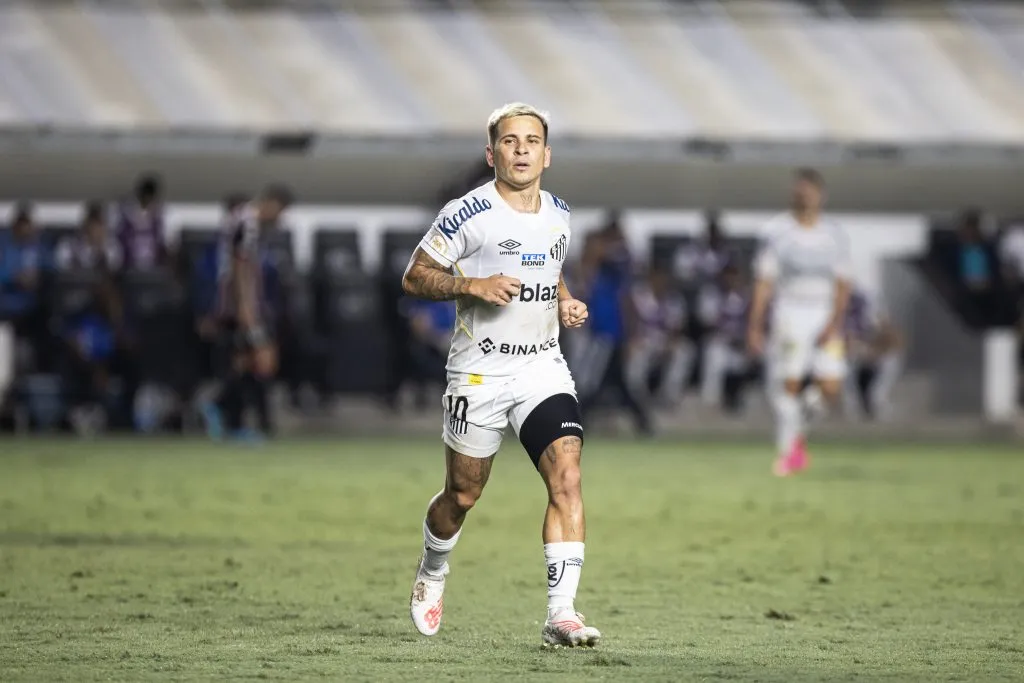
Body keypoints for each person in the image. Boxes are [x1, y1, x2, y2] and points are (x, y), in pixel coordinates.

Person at [401, 103, 600, 648]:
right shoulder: (467, 214)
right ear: (492, 154)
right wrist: (472, 285)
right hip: (480, 374)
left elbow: (550, 268)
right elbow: (415, 276)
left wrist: (563, 303)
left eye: (531, 141)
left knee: (567, 476)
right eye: (509, 142)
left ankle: (562, 614)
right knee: (462, 496)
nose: (521, 151)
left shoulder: (559, 211)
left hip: (541, 367)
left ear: (547, 154)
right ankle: (434, 566)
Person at [747, 168, 852, 477]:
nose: (803, 196)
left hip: (824, 312)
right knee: (790, 383)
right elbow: (764, 281)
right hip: (790, 312)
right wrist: (754, 325)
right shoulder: (777, 231)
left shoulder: (834, 233)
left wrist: (835, 321)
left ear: (821, 195)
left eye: (809, 191)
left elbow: (843, 283)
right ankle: (788, 453)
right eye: (798, 191)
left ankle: (797, 438)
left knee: (830, 388)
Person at [200, 184, 291, 442]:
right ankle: (221, 407)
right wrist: (246, 309)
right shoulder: (248, 222)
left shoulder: (240, 221)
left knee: (243, 362)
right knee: (262, 358)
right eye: (280, 211)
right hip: (238, 306)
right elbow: (241, 267)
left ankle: (230, 418)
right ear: (271, 203)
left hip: (234, 304)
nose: (279, 218)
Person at [115, 173, 166, 271]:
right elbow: (119, 239)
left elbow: (162, 242)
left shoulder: (159, 217)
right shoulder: (126, 214)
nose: (148, 202)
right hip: (129, 264)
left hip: (153, 265)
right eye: (145, 198)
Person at [55, 201, 123, 273]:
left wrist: (100, 250)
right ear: (86, 225)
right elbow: (62, 266)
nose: (97, 229)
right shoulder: (70, 245)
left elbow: (115, 267)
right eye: (93, 224)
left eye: (100, 224)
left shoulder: (112, 246)